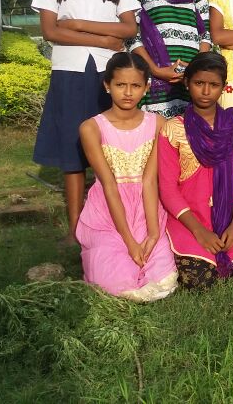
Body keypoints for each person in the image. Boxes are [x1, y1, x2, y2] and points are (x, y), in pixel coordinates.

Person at [32, 0, 140, 243]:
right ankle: (76, 228)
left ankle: (113, 221)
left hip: (108, 74)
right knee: (73, 149)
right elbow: (51, 31)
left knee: (111, 146)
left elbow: (129, 28)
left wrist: (78, 25)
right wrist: (103, 39)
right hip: (70, 71)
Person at [76, 52, 177, 301]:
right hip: (108, 212)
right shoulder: (91, 128)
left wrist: (153, 233)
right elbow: (109, 185)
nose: (128, 93)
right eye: (120, 85)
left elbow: (149, 181)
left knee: (163, 277)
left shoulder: (158, 124)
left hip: (148, 208)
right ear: (107, 85)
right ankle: (114, 253)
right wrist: (130, 242)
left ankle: (150, 248)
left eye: (136, 86)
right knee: (114, 280)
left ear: (146, 88)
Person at [158, 52, 233, 290]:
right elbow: (168, 189)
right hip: (189, 218)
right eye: (199, 83)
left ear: (223, 87)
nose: (205, 91)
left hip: (232, 215)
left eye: (213, 85)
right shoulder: (173, 130)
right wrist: (199, 231)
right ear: (187, 83)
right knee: (200, 280)